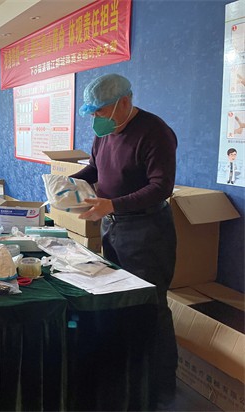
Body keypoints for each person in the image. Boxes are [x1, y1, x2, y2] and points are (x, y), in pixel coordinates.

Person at [71, 73, 178, 410]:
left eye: (101, 111)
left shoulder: (155, 132)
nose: (97, 119)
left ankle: (160, 383)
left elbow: (161, 187)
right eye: (93, 113)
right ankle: (128, 373)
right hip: (113, 228)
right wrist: (65, 183)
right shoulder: (104, 132)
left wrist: (112, 204)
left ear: (125, 102)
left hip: (147, 231)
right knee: (119, 298)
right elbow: (95, 169)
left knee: (151, 305)